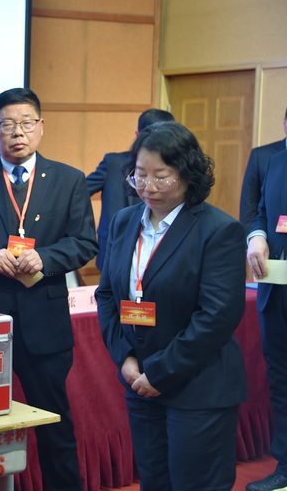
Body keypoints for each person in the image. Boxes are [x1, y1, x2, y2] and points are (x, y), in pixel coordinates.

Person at [0, 87, 98, 491]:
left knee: (54, 422)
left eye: (26, 123)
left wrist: (45, 258)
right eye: (7, 124)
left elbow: (85, 242)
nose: (18, 132)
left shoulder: (69, 179)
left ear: (41, 127)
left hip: (44, 321)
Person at [96, 121, 247, 490]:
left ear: (188, 175)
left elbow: (217, 316)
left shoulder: (217, 230)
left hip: (197, 388)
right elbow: (107, 295)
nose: (147, 187)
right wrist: (125, 358)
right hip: (140, 384)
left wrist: (159, 373)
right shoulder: (124, 221)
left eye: (160, 177)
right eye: (139, 175)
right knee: (154, 481)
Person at [86, 108, 175, 271]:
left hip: (159, 244)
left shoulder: (175, 170)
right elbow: (79, 192)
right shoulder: (113, 162)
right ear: (137, 135)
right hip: (114, 245)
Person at [246, 149, 287, 491]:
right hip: (276, 289)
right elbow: (262, 213)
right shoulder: (276, 160)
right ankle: (285, 466)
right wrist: (257, 237)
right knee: (282, 382)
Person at [239, 108, 287, 231]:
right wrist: (251, 237)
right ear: (284, 123)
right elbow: (249, 204)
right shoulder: (261, 156)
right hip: (268, 237)